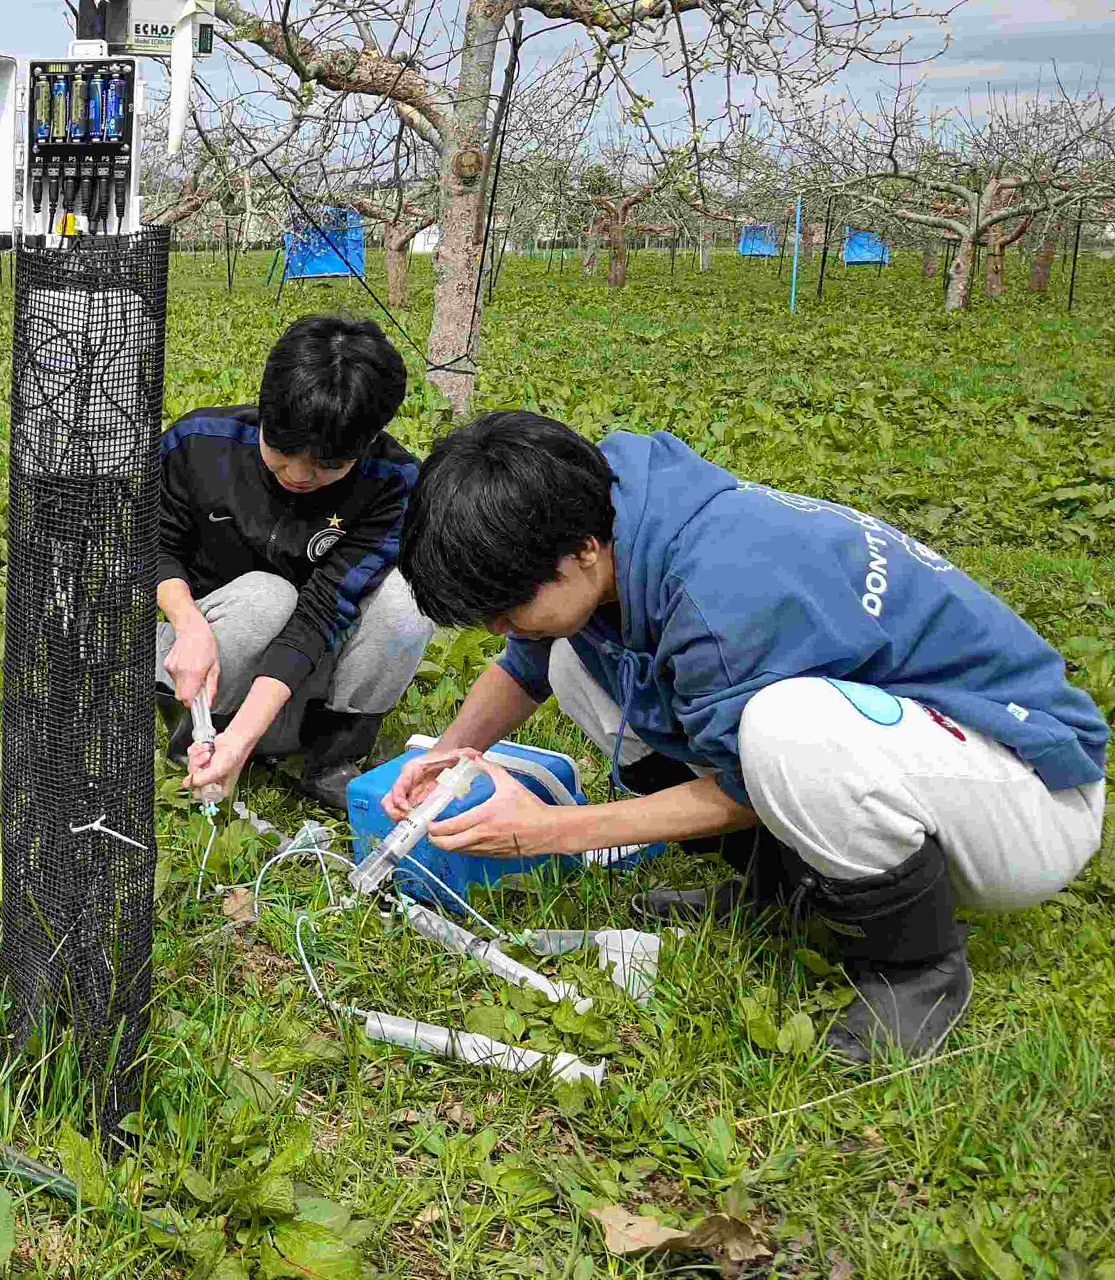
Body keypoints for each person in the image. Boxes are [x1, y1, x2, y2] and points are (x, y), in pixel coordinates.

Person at [385, 409, 1107, 1064]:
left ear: (580, 552)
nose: (499, 629)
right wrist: (447, 753)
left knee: (787, 732)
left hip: (1028, 795)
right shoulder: (608, 507)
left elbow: (743, 790)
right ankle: (781, 889)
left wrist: (552, 830)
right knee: (576, 660)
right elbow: (528, 663)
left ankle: (915, 971)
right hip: (918, 756)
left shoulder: (718, 598)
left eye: (507, 607)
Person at [156, 315, 435, 810]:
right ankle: (197, 736)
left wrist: (243, 738)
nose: (299, 475)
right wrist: (189, 622)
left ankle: (330, 753)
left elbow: (325, 609)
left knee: (413, 595)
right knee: (268, 596)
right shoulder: (199, 444)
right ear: (265, 411)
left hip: (303, 675)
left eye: (329, 465)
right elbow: (152, 549)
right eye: (281, 451)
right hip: (200, 667)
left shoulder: (392, 483)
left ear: (369, 442)